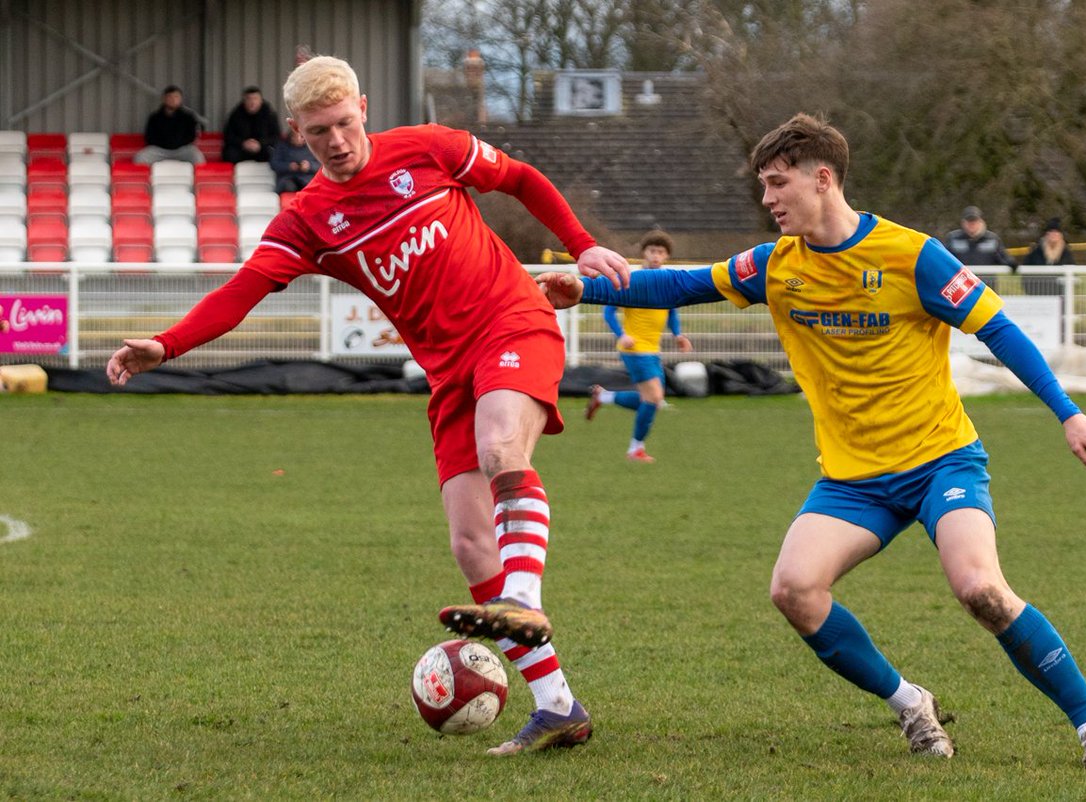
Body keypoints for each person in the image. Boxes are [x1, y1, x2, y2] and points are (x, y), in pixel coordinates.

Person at [537, 112, 1086, 768]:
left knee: (980, 590)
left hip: (942, 461)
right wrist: (587, 288)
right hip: (854, 480)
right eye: (763, 186)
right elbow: (680, 283)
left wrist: (1068, 413)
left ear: (822, 179)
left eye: (776, 183)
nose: (767, 199)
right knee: (794, 590)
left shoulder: (913, 256)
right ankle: (910, 703)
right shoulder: (773, 266)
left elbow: (999, 329)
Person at [106, 55, 630, 756]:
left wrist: (583, 245)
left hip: (513, 322)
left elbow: (520, 179)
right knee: (471, 543)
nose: (337, 141)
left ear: (363, 107)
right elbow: (243, 291)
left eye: (345, 123)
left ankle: (524, 602)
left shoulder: (429, 148)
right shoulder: (309, 219)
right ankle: (558, 706)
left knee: (501, 446)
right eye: (319, 131)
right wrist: (164, 345)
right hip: (449, 374)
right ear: (296, 131)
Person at [585, 230, 692, 463]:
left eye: (661, 252)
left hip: (653, 350)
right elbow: (609, 311)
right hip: (634, 349)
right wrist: (621, 335)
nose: (656, 256)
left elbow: (672, 310)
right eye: (652, 251)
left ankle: (604, 397)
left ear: (666, 257)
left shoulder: (667, 281)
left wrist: (678, 334)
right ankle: (635, 449)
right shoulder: (631, 280)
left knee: (651, 400)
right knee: (654, 398)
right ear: (644, 253)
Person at [942, 206, 1017, 289]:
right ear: (963, 223)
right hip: (962, 290)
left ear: (981, 222)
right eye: (969, 221)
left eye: (975, 221)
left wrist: (1012, 263)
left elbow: (1003, 257)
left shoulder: (992, 239)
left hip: (986, 289)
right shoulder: (953, 239)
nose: (972, 224)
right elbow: (944, 260)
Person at [133, 85, 204, 165]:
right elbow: (149, 137)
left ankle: (199, 178)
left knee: (197, 156)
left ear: (180, 99)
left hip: (182, 150)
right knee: (140, 157)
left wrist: (176, 144)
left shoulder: (189, 117)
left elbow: (192, 136)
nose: (173, 100)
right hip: (160, 151)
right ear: (164, 99)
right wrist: (165, 144)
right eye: (170, 97)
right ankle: (145, 177)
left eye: (176, 97)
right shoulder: (154, 117)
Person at [222, 86, 281, 163]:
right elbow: (228, 136)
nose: (252, 102)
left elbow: (275, 137)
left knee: (274, 154)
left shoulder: (269, 114)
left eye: (255, 99)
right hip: (241, 149)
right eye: (249, 99)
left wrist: (260, 144)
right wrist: (243, 143)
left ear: (261, 101)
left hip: (263, 148)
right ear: (244, 101)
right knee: (230, 154)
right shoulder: (236, 114)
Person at [1021, 217, 1075, 296]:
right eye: (1051, 232)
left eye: (1056, 232)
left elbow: (1072, 273)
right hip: (1037, 295)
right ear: (1046, 234)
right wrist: (1031, 292)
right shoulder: (1035, 251)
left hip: (1060, 296)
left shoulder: (1066, 253)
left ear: (1061, 235)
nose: (1053, 235)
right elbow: (1025, 273)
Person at [269, 126, 318, 193]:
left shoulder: (312, 147)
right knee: (289, 187)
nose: (298, 139)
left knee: (312, 187)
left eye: (301, 136)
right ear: (290, 137)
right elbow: (274, 164)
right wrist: (288, 166)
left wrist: (309, 166)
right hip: (287, 178)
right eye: (295, 136)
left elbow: (321, 165)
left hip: (307, 178)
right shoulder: (282, 147)